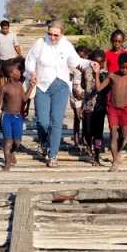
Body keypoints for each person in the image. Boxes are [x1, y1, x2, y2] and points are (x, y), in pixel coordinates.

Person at [25, 20, 94, 167]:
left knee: (56, 122)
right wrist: (31, 73)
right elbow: (30, 61)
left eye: (56, 35)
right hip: (42, 86)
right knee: (42, 121)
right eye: (50, 34)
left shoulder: (66, 45)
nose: (53, 38)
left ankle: (53, 155)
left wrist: (89, 63)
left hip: (61, 86)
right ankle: (44, 143)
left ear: (62, 34)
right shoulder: (40, 44)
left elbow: (75, 61)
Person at [94, 52, 127, 171]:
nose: (124, 70)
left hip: (124, 109)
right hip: (112, 108)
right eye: (122, 67)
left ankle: (119, 151)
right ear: (118, 64)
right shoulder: (112, 76)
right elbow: (99, 88)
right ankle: (114, 161)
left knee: (124, 135)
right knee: (114, 133)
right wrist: (96, 74)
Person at [0, 63, 36, 171]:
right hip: (6, 117)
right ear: (11, 74)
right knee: (8, 141)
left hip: (17, 117)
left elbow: (24, 99)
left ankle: (11, 152)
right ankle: (7, 164)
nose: (19, 73)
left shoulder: (20, 85)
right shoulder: (5, 88)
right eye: (17, 71)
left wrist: (31, 87)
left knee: (17, 143)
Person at [81, 48, 107, 165]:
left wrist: (96, 74)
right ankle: (89, 147)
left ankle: (96, 154)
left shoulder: (105, 74)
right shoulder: (86, 70)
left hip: (99, 107)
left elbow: (101, 89)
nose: (97, 65)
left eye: (100, 63)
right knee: (87, 130)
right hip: (87, 105)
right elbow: (83, 84)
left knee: (98, 133)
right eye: (95, 62)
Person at [0, 20, 22, 88]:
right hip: (0, 59)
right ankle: (2, 92)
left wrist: (20, 55)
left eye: (7, 28)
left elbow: (16, 46)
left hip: (11, 59)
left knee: (10, 76)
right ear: (1, 28)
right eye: (3, 29)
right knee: (1, 76)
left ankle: (9, 91)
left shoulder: (13, 35)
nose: (5, 30)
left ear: (9, 27)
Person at [69, 45, 90, 149]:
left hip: (86, 94)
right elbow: (69, 81)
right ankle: (76, 140)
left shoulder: (89, 66)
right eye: (78, 56)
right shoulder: (72, 67)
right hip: (75, 93)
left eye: (83, 56)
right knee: (77, 117)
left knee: (86, 117)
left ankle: (84, 139)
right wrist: (74, 92)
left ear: (86, 56)